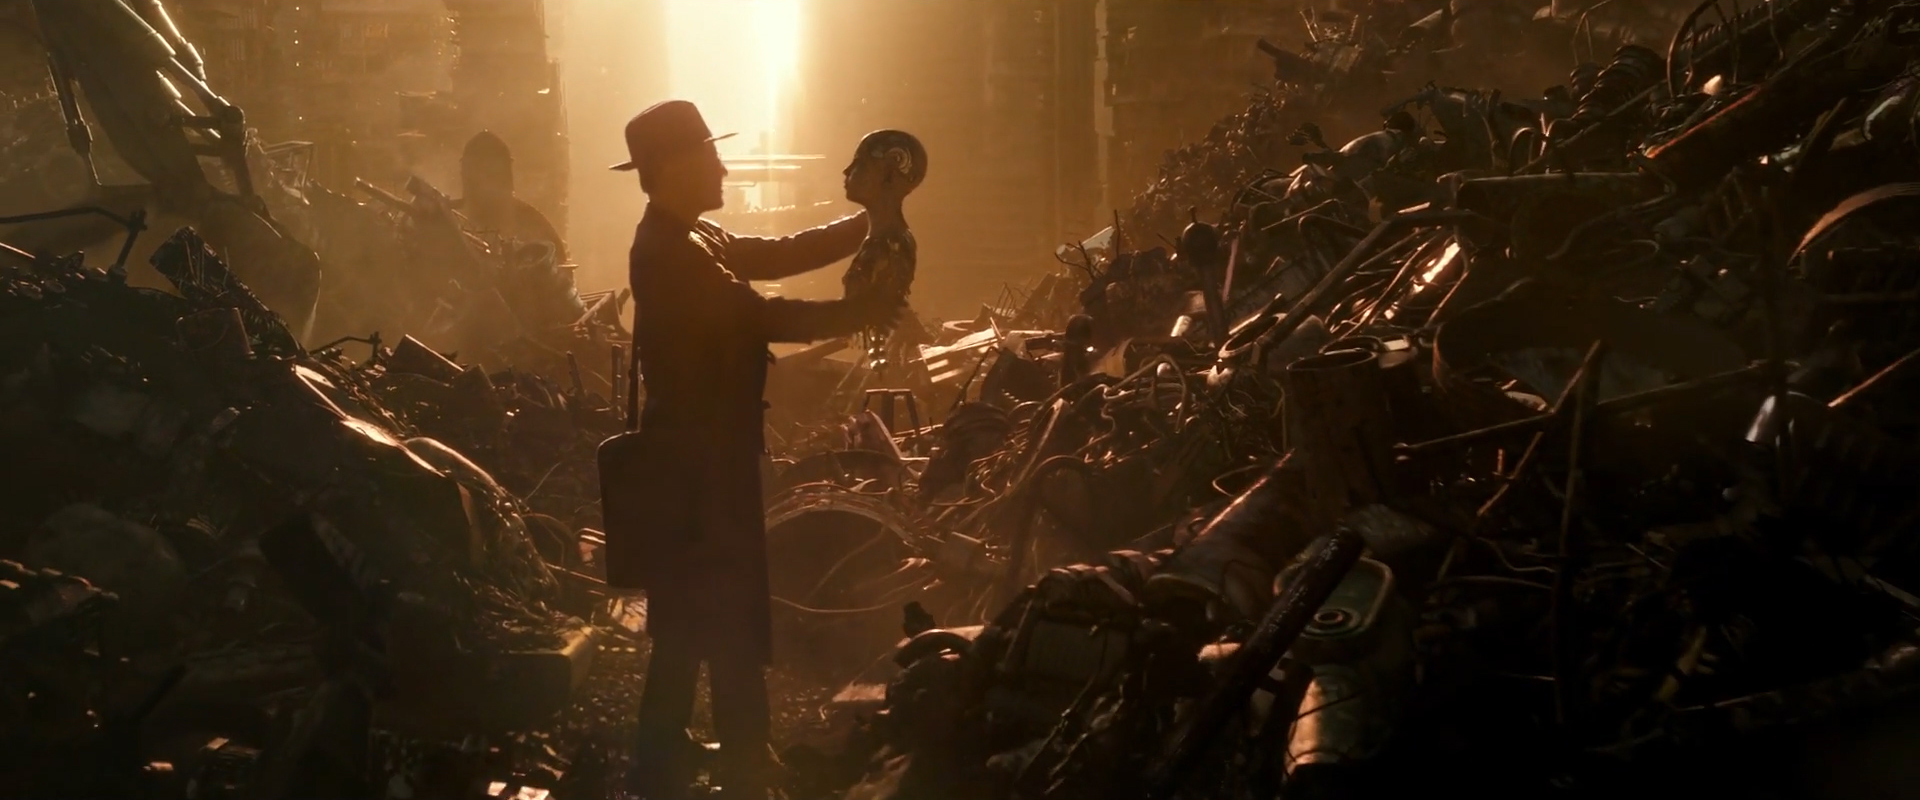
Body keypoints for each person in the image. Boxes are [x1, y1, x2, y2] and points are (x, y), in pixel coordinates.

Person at [606, 99, 897, 800]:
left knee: (686, 618)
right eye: (710, 155)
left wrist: (869, 222)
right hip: (699, 468)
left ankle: (665, 754)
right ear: (675, 167)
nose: (723, 168)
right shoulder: (672, 255)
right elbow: (759, 316)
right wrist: (860, 311)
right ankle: (740, 759)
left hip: (700, 461)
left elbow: (779, 253)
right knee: (727, 612)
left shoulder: (690, 237)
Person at [839, 129, 927, 374]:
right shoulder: (880, 238)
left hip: (886, 366)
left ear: (887, 177)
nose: (847, 171)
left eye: (860, 165)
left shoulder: (889, 244)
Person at [454, 130, 568, 262]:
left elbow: (560, 268)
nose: (482, 184)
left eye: (490, 174)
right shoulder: (449, 223)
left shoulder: (535, 230)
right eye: (475, 178)